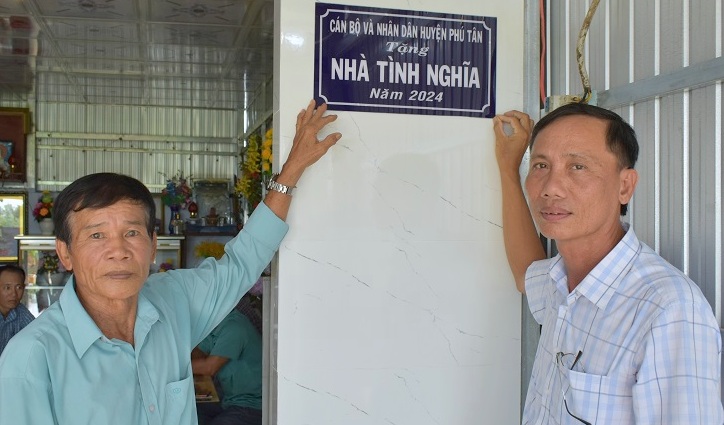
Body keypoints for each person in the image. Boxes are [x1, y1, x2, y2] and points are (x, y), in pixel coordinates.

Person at [0, 100, 341, 424]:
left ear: (153, 246)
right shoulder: (32, 358)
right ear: (65, 253)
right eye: (96, 235)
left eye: (132, 233)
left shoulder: (173, 302)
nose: (118, 250)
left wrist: (292, 169)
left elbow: (243, 262)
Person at [493, 103, 724, 424]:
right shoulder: (561, 282)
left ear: (625, 186)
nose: (551, 188)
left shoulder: (668, 311)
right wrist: (509, 167)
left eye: (578, 167)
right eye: (542, 165)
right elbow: (525, 274)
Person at [192, 308, 263, 425]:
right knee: (188, 413)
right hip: (229, 399)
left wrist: (173, 367)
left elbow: (209, 367)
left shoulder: (234, 327)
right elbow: (199, 354)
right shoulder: (213, 326)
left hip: (252, 404)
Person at [0, 264, 34, 355]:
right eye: (7, 288)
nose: (14, 294)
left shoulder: (20, 311)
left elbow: (37, 333)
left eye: (19, 288)